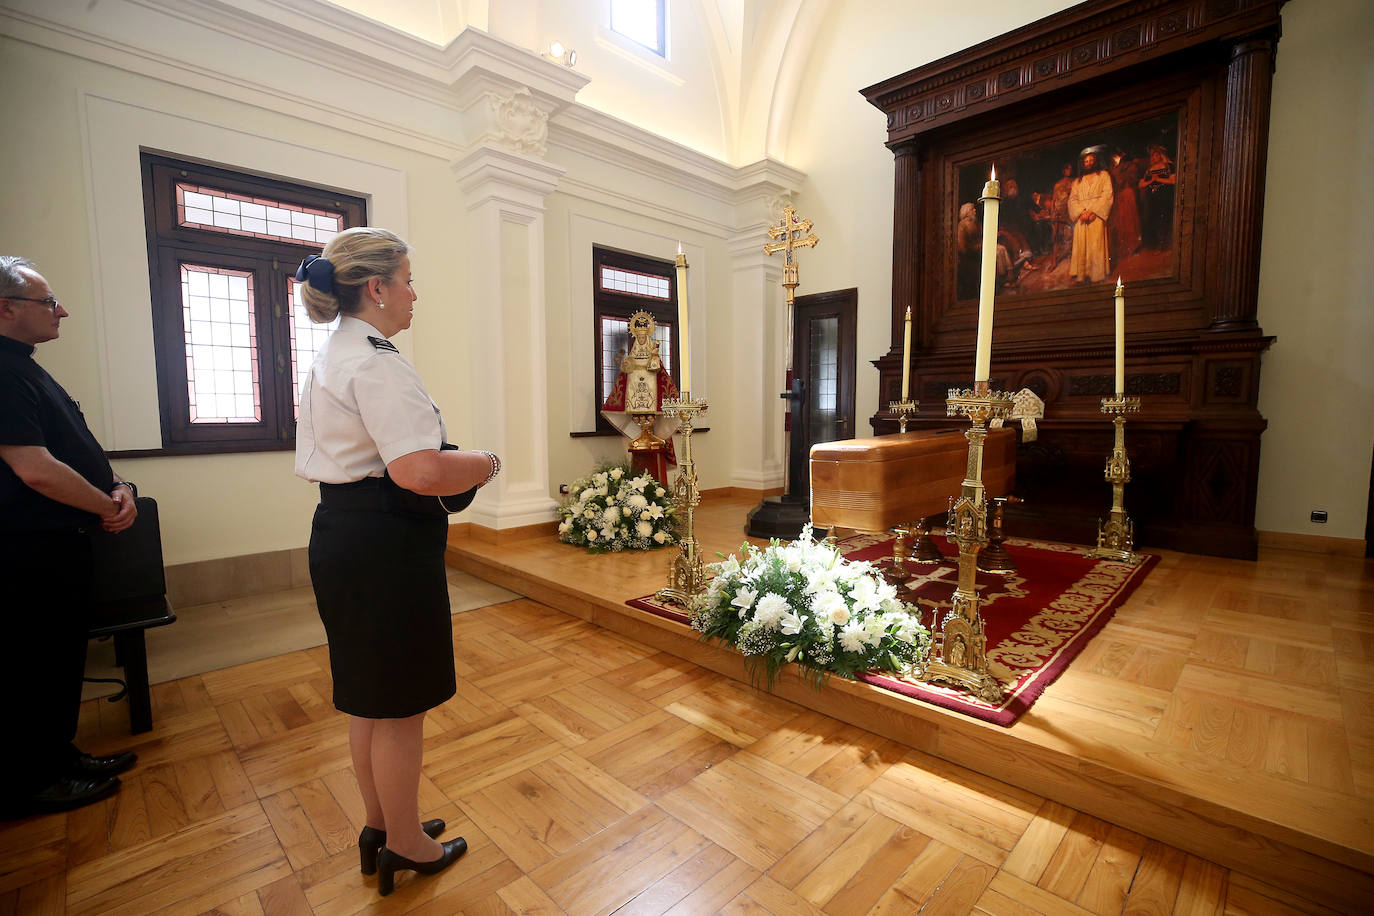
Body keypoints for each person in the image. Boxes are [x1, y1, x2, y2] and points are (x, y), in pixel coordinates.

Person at [293, 228, 499, 896]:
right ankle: (410, 845)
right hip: (385, 545)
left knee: (369, 700)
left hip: (344, 532)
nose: (415, 294)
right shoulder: (376, 358)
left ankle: (382, 826)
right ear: (376, 288)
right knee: (401, 704)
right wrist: (488, 463)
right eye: (408, 279)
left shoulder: (337, 351)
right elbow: (415, 469)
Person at [0, 256, 139, 819]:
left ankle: (61, 758)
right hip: (26, 550)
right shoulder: (2, 371)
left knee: (58, 662)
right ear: (5, 309)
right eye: (47, 302)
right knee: (30, 668)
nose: (62, 310)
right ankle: (31, 781)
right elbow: (33, 467)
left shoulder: (24, 365)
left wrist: (119, 483)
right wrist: (106, 503)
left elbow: (71, 444)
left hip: (59, 544)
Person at [1069, 146, 1115, 283]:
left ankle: (1097, 274)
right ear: (1083, 164)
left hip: (1096, 216)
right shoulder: (1077, 181)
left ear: (1096, 161)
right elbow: (1072, 200)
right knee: (1082, 245)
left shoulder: (1104, 176)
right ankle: (1083, 274)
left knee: (1096, 245)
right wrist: (1081, 213)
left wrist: (1094, 211)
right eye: (1086, 161)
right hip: (1082, 217)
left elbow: (1108, 195)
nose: (1088, 163)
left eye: (1091, 160)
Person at [1139, 143, 1177, 250]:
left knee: (1165, 219)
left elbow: (1173, 181)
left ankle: (1165, 245)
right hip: (1152, 198)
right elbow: (1141, 184)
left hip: (1165, 196)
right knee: (1153, 220)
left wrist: (1158, 179)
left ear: (1161, 155)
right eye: (1153, 156)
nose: (1155, 157)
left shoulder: (1169, 166)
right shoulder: (1149, 169)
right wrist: (1151, 180)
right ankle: (1157, 245)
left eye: (1157, 155)